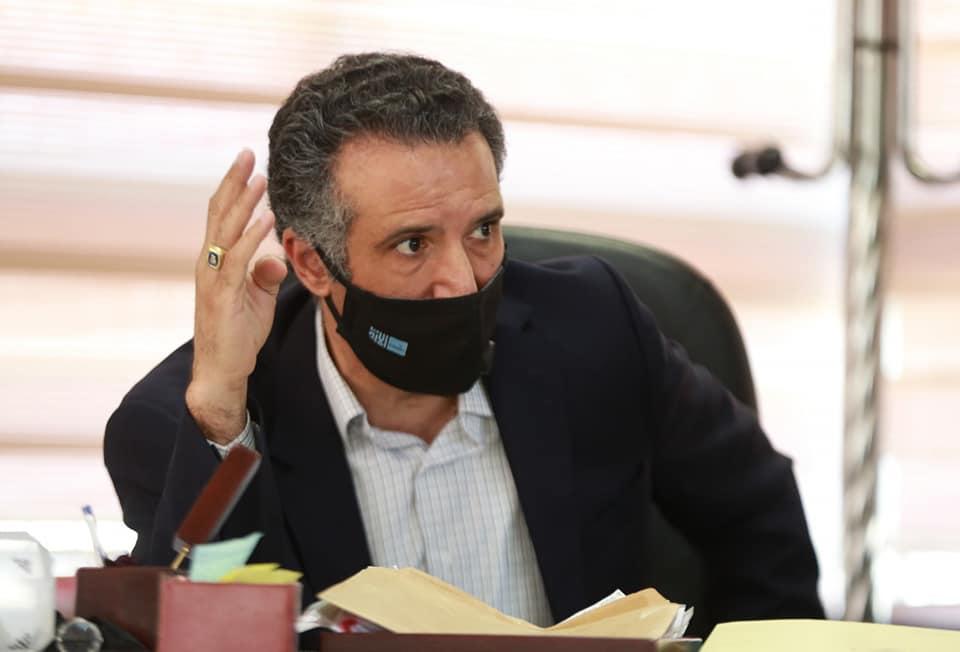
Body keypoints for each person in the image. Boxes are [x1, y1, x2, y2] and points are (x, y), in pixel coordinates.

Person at [104, 52, 824, 633]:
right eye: (413, 244)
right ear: (313, 264)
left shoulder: (593, 329)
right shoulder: (188, 421)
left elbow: (757, 513)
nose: (461, 281)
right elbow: (194, 625)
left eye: (482, 230)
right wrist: (222, 421)